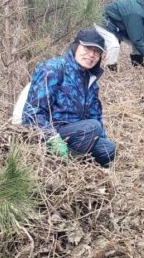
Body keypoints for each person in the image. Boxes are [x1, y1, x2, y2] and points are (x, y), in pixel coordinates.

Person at [12, 29, 116, 166]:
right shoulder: (52, 69)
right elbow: (32, 112)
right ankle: (65, 165)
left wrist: (100, 141)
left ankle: (72, 157)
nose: (91, 55)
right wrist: (52, 137)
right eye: (87, 48)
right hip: (46, 134)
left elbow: (95, 115)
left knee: (108, 149)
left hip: (75, 134)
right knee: (91, 127)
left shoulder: (90, 80)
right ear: (75, 46)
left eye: (97, 52)